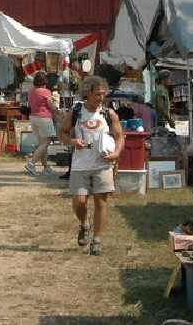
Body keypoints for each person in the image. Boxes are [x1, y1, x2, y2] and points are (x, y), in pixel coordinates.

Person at [59, 75, 124, 255]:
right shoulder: (76, 112)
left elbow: (119, 137)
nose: (101, 98)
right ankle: (84, 223)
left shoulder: (109, 114)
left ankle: (97, 240)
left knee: (100, 201)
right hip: (80, 165)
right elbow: (62, 132)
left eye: (103, 94)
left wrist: (116, 153)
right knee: (79, 202)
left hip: (102, 165)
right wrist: (72, 142)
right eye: (97, 94)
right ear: (87, 94)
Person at [24, 71, 57, 176]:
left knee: (42, 145)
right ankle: (31, 163)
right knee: (45, 143)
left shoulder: (31, 91)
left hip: (33, 117)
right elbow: (51, 105)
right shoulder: (46, 91)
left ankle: (46, 167)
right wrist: (57, 109)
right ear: (45, 81)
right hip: (44, 118)